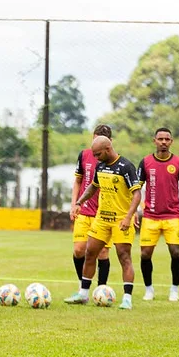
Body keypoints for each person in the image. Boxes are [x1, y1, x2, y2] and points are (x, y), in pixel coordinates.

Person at [70, 136, 141, 310]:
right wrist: (79, 202)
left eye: (98, 154)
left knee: (124, 257)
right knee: (89, 253)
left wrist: (128, 217)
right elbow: (93, 186)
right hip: (102, 219)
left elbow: (137, 194)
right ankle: (83, 294)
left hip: (120, 220)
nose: (95, 157)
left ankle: (127, 299)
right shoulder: (100, 166)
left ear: (108, 149)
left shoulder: (126, 167)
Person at [136, 128, 179, 302]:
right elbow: (136, 189)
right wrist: (135, 211)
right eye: (160, 139)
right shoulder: (145, 162)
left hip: (172, 216)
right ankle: (149, 289)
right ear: (154, 141)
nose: (163, 142)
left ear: (171, 141)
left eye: (167, 139)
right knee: (145, 254)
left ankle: (174, 289)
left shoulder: (178, 162)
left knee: (176, 253)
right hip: (150, 216)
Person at [65, 124, 113, 304]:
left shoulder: (112, 159)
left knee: (102, 254)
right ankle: (82, 287)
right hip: (84, 211)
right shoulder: (84, 155)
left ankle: (102, 291)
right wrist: (74, 204)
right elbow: (78, 180)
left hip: (103, 213)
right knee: (79, 250)